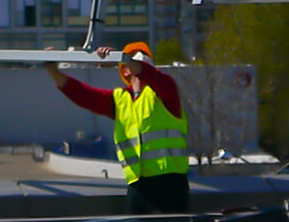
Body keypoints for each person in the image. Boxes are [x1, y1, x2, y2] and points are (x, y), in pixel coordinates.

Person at [45, 42, 190, 214]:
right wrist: (53, 70)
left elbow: (155, 77)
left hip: (170, 184)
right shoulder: (120, 100)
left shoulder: (165, 90)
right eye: (135, 57)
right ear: (125, 70)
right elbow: (83, 95)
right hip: (138, 187)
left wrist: (119, 59)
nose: (141, 61)